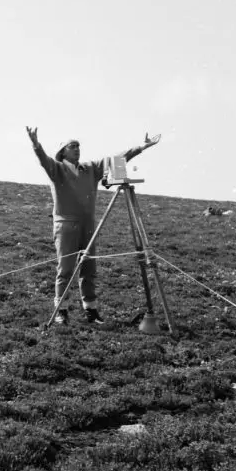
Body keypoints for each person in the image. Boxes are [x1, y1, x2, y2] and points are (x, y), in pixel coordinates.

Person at [26, 127, 162, 325]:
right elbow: (43, 160)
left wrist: (142, 147)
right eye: (72, 146)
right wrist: (36, 144)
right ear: (63, 151)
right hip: (66, 225)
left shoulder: (90, 168)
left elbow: (116, 159)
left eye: (78, 146)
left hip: (88, 225)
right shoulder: (57, 169)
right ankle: (61, 310)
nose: (77, 149)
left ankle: (91, 310)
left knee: (89, 268)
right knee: (65, 269)